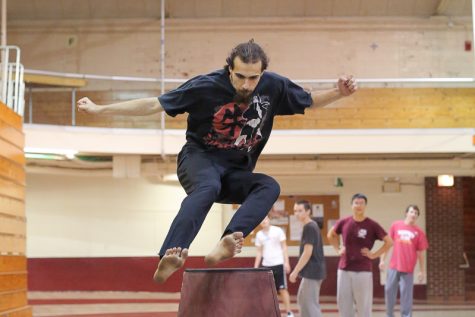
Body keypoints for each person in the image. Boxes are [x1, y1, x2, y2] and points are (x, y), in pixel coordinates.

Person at [77, 39, 357, 283]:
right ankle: (171, 254)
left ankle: (230, 238)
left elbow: (307, 102)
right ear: (229, 69)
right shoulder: (205, 86)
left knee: (269, 186)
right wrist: (100, 109)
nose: (247, 84)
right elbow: (153, 104)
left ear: (262, 73)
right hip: (198, 160)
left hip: (235, 171)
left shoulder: (274, 86)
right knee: (207, 188)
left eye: (253, 78)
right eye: (240, 76)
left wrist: (339, 93)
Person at [327, 193, 392, 317]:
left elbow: (389, 242)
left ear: (365, 206)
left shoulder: (372, 225)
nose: (359, 205)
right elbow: (331, 235)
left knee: (364, 306)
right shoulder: (344, 222)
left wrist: (374, 255)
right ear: (352, 205)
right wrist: (338, 249)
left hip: (363, 271)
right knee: (344, 304)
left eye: (361, 203)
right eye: (356, 203)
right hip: (344, 269)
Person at [379, 205, 428, 317]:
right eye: (411, 212)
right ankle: (389, 314)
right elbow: (387, 244)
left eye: (416, 213)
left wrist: (422, 271)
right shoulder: (396, 225)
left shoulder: (419, 232)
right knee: (389, 291)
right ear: (406, 213)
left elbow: (421, 253)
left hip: (408, 269)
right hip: (393, 266)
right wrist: (382, 260)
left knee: (406, 296)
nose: (414, 214)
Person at [289, 200, 326, 317]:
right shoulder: (311, 226)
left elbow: (307, 252)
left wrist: (295, 271)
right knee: (303, 300)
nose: (297, 213)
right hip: (313, 271)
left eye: (300, 211)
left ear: (308, 211)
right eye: (295, 211)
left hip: (312, 271)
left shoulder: (309, 227)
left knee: (310, 305)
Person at [254, 216, 294, 317]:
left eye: (265, 219)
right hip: (266, 266)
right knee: (267, 291)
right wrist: (255, 268)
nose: (263, 221)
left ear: (269, 220)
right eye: (261, 220)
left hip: (279, 264)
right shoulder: (259, 235)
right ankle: (269, 313)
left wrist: (287, 262)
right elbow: (259, 252)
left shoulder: (278, 230)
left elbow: (284, 247)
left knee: (282, 289)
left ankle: (289, 312)